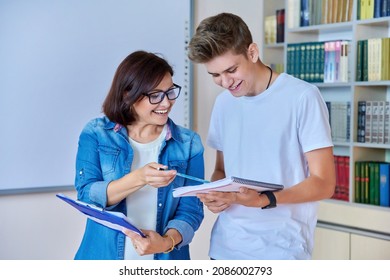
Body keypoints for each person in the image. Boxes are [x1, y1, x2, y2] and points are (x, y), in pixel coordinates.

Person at [187, 13, 336, 260]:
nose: (224, 82)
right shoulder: (224, 103)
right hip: (224, 250)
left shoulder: (302, 97)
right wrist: (217, 194)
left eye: (231, 70)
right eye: (215, 75)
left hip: (281, 251)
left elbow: (324, 183)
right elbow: (221, 171)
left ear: (253, 52)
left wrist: (263, 200)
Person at [74, 50, 204, 260]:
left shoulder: (188, 143)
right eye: (155, 95)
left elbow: (191, 210)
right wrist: (140, 178)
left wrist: (166, 242)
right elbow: (87, 196)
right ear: (128, 94)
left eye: (170, 92)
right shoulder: (96, 134)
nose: (166, 103)